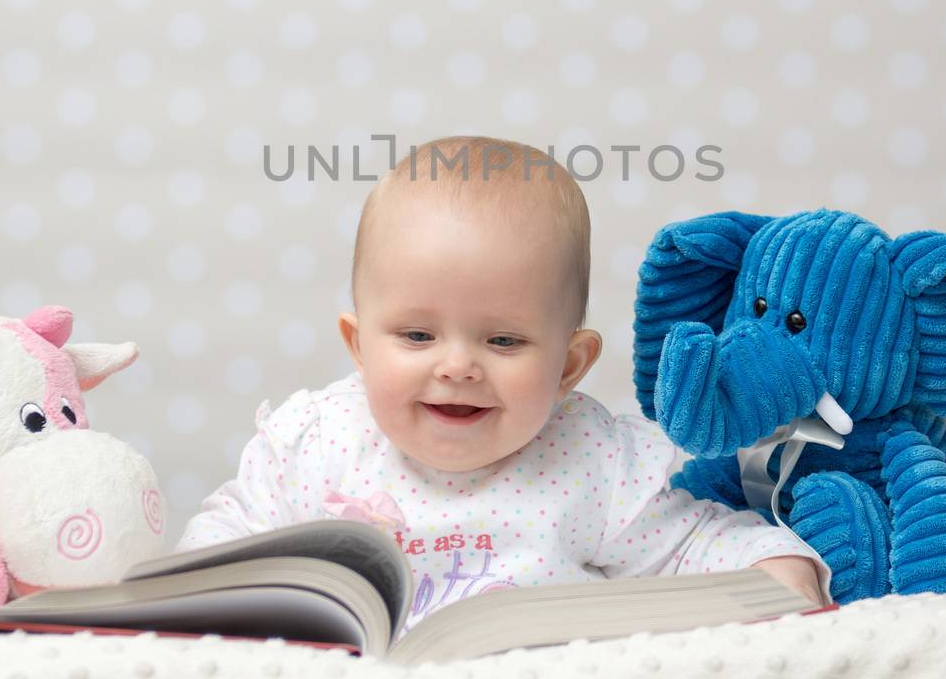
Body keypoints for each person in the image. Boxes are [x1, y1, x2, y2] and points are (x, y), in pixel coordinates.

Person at [179, 135, 829, 633]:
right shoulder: (316, 440)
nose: (458, 366)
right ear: (358, 345)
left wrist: (777, 568)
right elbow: (233, 530)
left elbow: (692, 539)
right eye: (416, 336)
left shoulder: (594, 460)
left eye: (503, 341)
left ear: (569, 368)